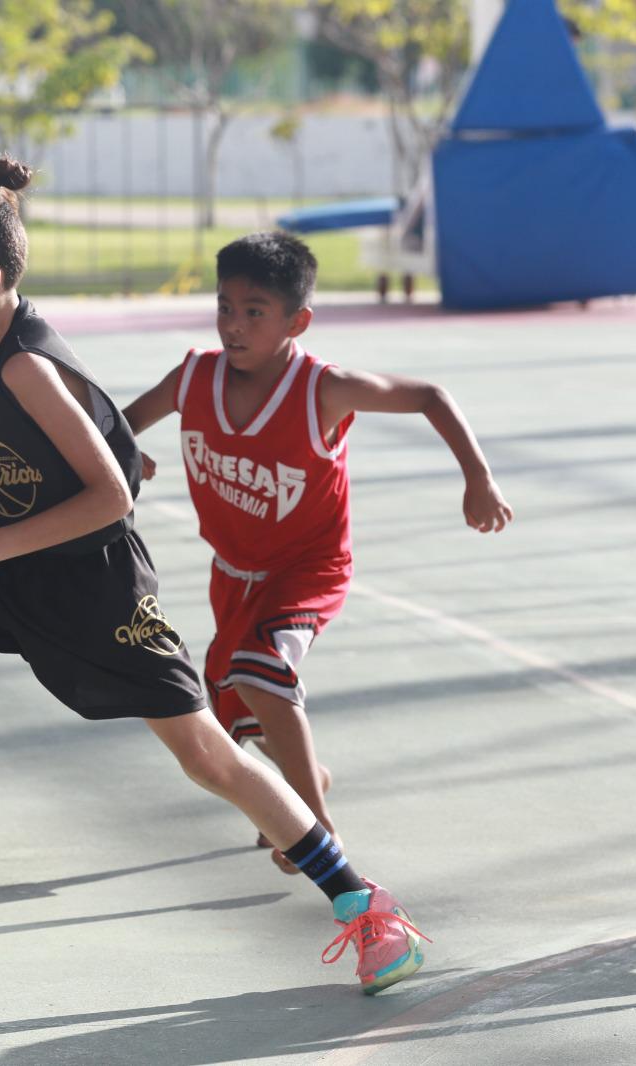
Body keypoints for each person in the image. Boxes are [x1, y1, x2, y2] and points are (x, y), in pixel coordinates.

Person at [0, 158, 427, 994]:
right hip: (7, 575)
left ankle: (367, 905)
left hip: (96, 597)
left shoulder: (26, 363)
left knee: (211, 760)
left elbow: (112, 494)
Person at [122, 231, 512, 873]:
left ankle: (315, 828)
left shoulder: (321, 390)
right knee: (229, 724)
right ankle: (310, 783)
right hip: (234, 574)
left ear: (297, 320)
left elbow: (429, 397)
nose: (234, 326)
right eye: (225, 307)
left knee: (258, 667)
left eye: (255, 312)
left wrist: (478, 477)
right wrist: (125, 451)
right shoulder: (194, 377)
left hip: (307, 570)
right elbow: (116, 427)